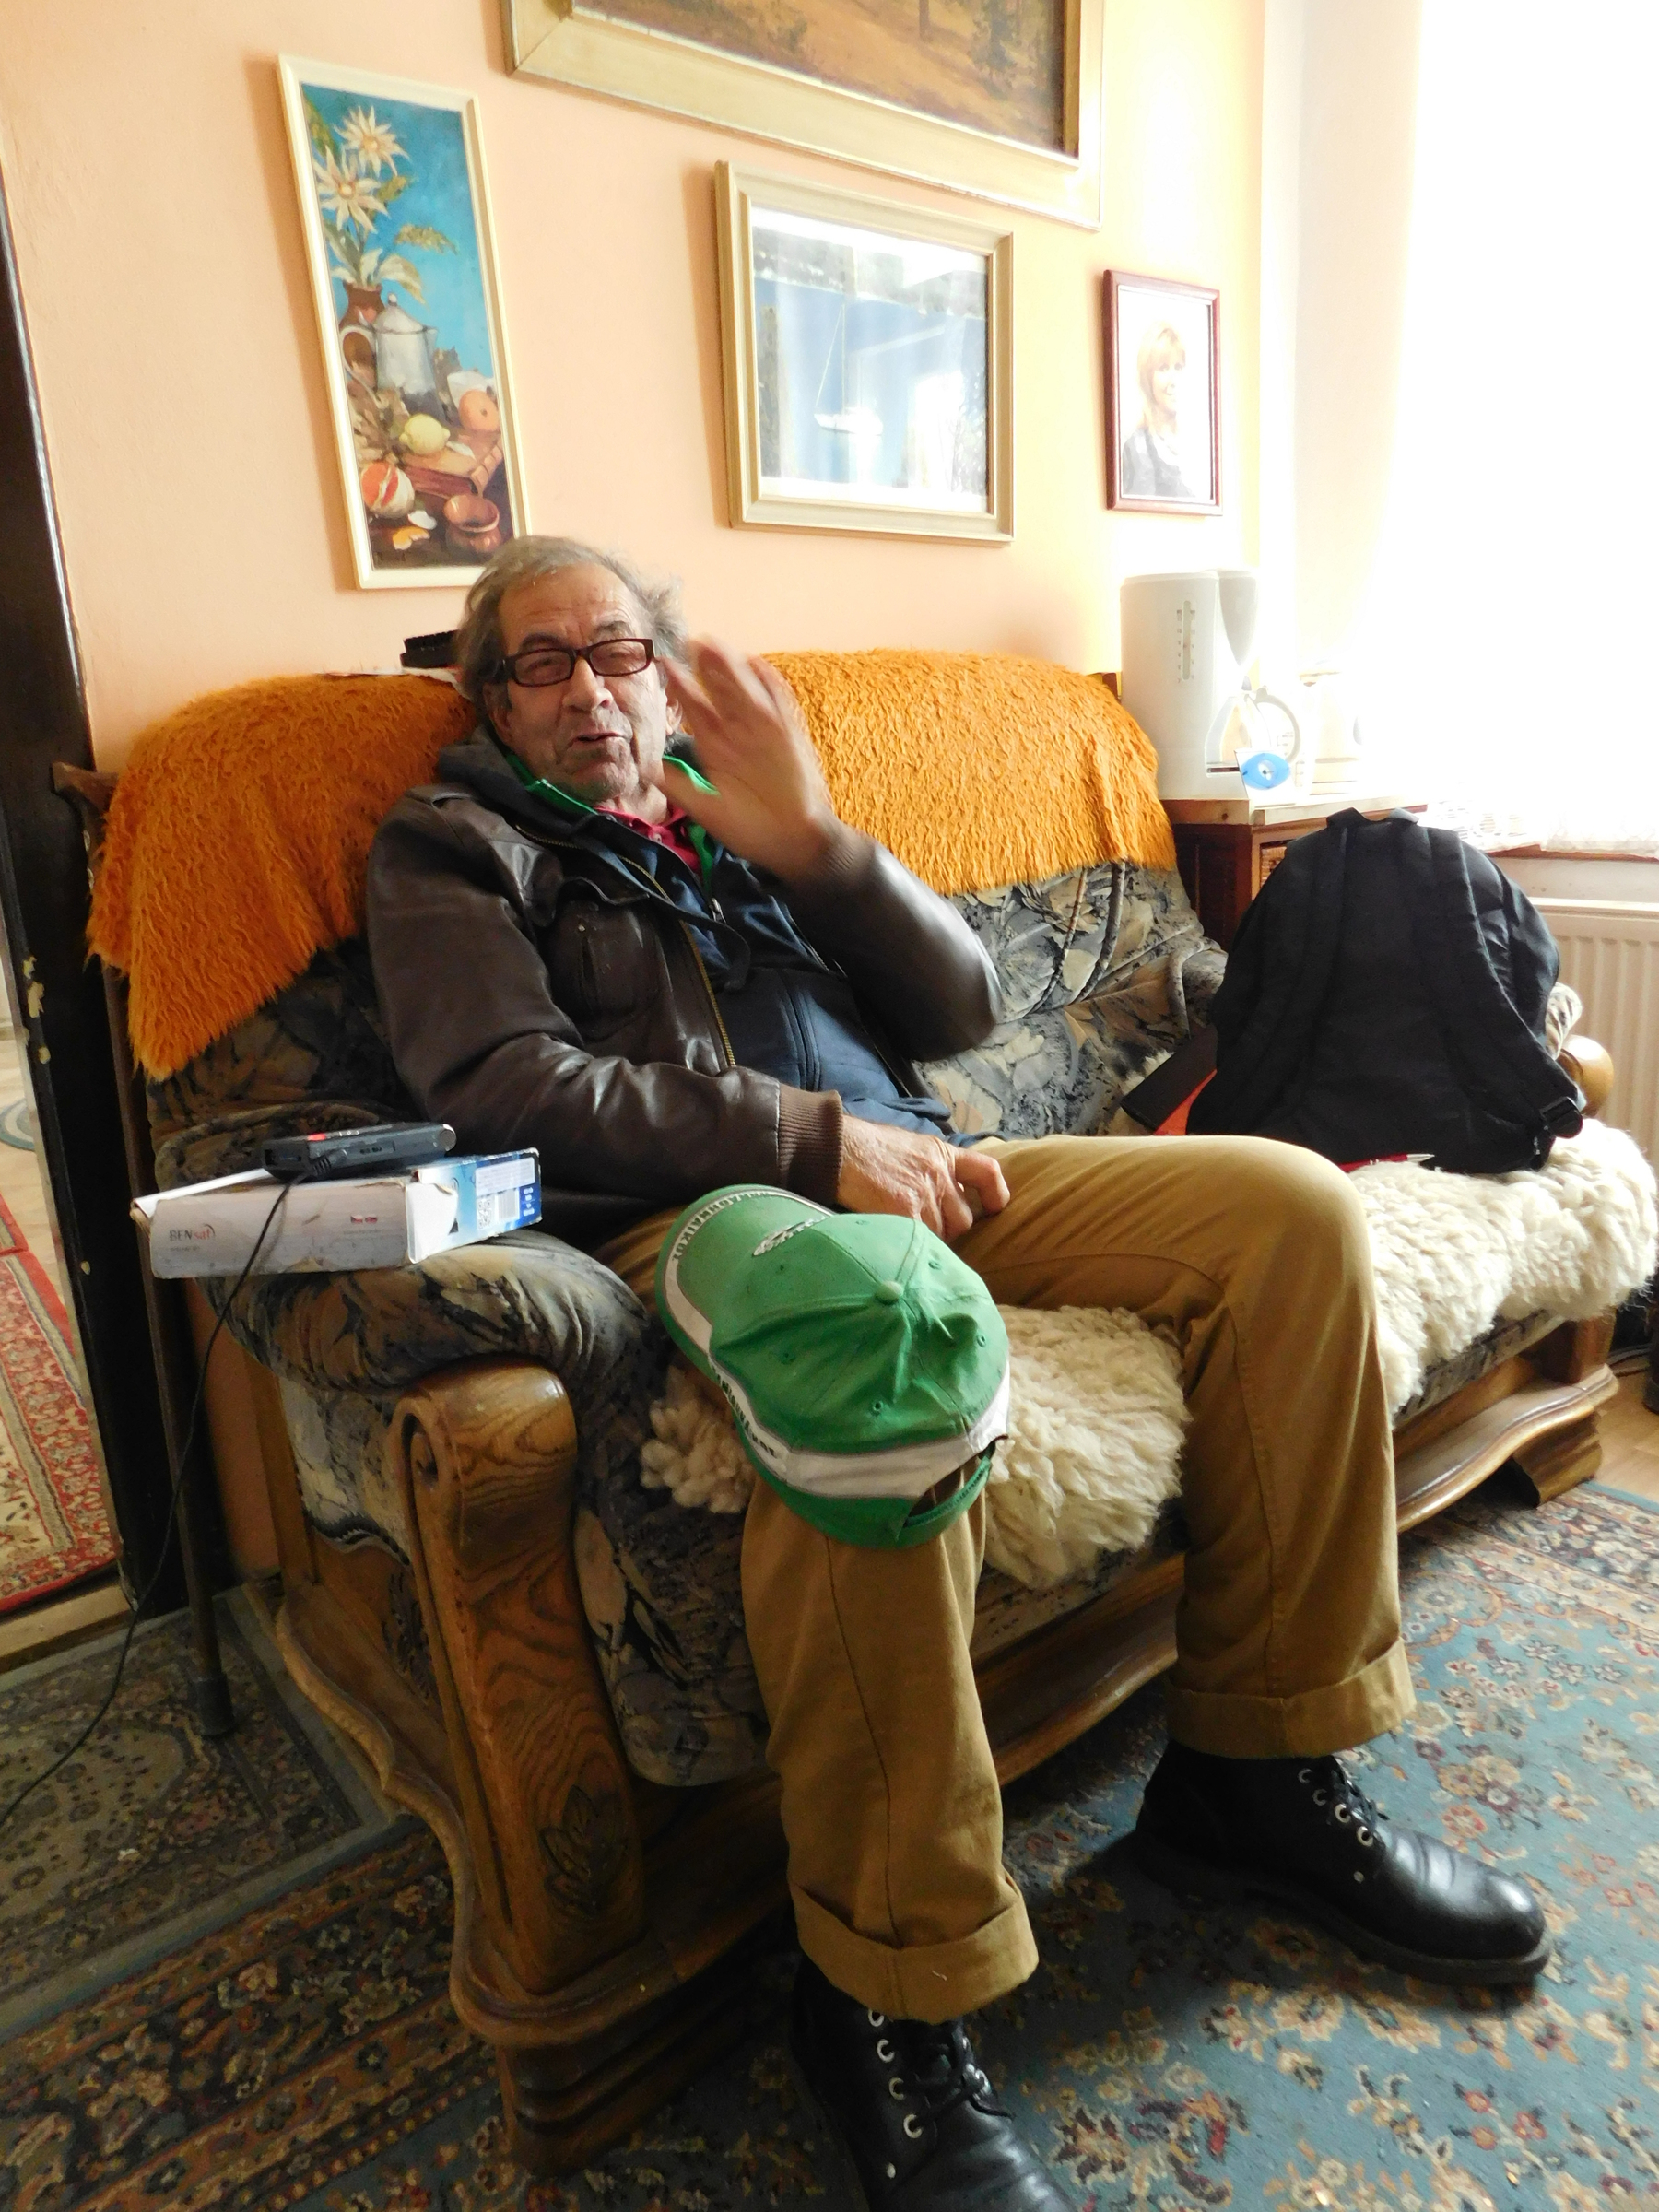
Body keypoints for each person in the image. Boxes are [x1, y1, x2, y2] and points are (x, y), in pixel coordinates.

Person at [365, 536, 1548, 2212]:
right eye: (540, 662)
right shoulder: (454, 846)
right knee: (870, 1346)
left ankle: (1260, 1772)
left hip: (936, 1173)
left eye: (617, 652)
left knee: (1291, 1217)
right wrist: (806, 1138)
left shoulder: (740, 813)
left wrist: (819, 844)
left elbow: (963, 1003)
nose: (588, 690)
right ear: (491, 701)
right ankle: (883, 1986)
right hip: (722, 1219)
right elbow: (497, 1084)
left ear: (664, 676)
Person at [1119, 319, 1195, 501]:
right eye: (1163, 368)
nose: (1173, 380)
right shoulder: (1138, 448)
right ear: (1148, 378)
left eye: (1178, 367)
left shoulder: (1195, 441)